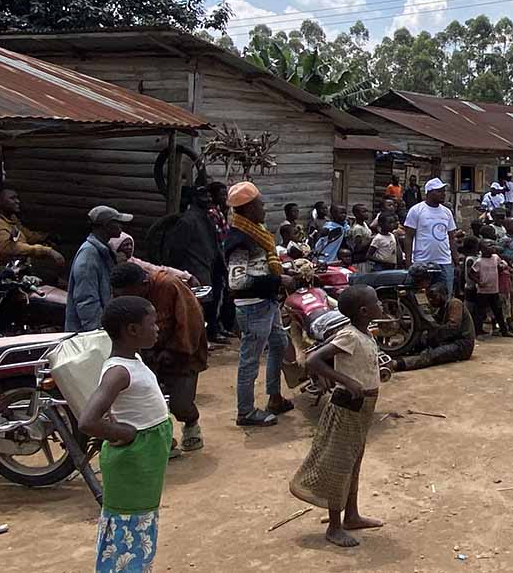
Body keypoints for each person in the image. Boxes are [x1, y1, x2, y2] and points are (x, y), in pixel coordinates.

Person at [79, 296, 172, 573]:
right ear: (132, 330)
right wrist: (125, 433)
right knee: (128, 532)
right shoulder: (119, 371)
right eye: (152, 323)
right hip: (132, 466)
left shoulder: (133, 360)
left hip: (142, 467)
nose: (157, 328)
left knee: (138, 530)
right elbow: (87, 420)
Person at [289, 284, 385, 548]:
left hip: (363, 408)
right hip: (347, 407)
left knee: (354, 461)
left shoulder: (365, 333)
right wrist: (347, 381)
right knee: (339, 465)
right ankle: (334, 525)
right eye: (377, 302)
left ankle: (351, 515)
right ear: (365, 311)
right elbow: (314, 361)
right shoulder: (350, 336)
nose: (382, 305)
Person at [111, 262, 208, 455]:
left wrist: (174, 350)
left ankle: (191, 424)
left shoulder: (169, 285)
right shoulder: (126, 298)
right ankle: (163, 440)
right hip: (148, 353)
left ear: (144, 283)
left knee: (181, 402)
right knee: (149, 400)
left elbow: (191, 319)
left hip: (182, 351)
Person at [225, 182, 291, 427]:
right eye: (260, 204)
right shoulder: (240, 240)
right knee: (250, 359)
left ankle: (274, 397)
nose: (264, 208)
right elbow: (237, 280)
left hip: (266, 302)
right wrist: (278, 279)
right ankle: (246, 412)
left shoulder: (255, 231)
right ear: (249, 208)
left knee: (279, 343)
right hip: (253, 306)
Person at [165, 185, 222, 341]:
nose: (209, 199)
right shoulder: (188, 220)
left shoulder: (206, 218)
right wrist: (182, 273)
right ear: (195, 199)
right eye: (204, 196)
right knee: (196, 308)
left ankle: (205, 337)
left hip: (207, 267)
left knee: (207, 306)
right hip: (194, 270)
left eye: (209, 196)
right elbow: (177, 250)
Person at [65, 206, 130, 331]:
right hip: (86, 336)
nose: (121, 226)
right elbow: (86, 299)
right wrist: (97, 331)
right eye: (117, 222)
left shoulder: (103, 251)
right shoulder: (89, 255)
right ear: (107, 226)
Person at [395, 282, 475, 371]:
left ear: (443, 294)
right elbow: (433, 323)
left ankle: (399, 364)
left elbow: (453, 328)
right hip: (450, 340)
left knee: (431, 355)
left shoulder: (455, 303)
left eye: (434, 297)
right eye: (429, 298)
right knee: (419, 342)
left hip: (461, 345)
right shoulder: (442, 307)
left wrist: (433, 332)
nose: (431, 300)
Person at [0, 186, 65, 267]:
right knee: (50, 274)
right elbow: (8, 248)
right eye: (12, 198)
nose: (17, 201)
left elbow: (25, 234)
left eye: (17, 198)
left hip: (15, 264)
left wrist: (45, 237)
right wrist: (46, 251)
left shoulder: (9, 216)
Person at [402, 178, 459, 293]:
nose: (443, 194)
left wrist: (456, 261)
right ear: (429, 192)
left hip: (444, 261)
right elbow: (408, 237)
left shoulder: (447, 212)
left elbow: (451, 237)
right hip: (422, 261)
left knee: (445, 295)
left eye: (443, 191)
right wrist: (408, 262)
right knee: (422, 295)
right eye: (439, 191)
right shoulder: (416, 210)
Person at [109, 233, 196, 286]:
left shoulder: (134, 262)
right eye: (125, 245)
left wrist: (186, 276)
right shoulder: (108, 261)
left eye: (131, 244)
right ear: (115, 246)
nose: (129, 247)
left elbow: (157, 269)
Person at [470, 240, 513, 338]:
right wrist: (479, 282)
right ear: (482, 249)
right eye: (489, 245)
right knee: (480, 313)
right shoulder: (479, 261)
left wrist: (501, 268)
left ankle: (504, 331)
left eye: (493, 245)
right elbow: (471, 274)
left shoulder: (496, 258)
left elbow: (499, 266)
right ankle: (478, 332)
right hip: (483, 291)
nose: (493, 247)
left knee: (498, 312)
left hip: (494, 290)